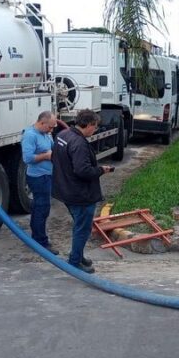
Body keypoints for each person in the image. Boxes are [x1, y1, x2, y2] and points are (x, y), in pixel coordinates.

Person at [52, 109, 114, 274]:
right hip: (80, 194)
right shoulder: (78, 143)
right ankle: (74, 262)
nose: (95, 130)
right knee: (82, 229)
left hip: (65, 190)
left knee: (79, 226)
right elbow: (83, 170)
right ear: (89, 125)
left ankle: (77, 255)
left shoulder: (62, 135)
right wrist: (101, 170)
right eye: (95, 127)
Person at [22, 111, 59, 255]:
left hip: (47, 175)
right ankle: (40, 241)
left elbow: (52, 147)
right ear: (42, 123)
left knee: (41, 208)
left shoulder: (45, 134)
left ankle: (36, 238)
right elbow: (28, 158)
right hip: (38, 178)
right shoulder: (30, 135)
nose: (52, 130)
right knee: (41, 209)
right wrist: (46, 156)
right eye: (50, 127)